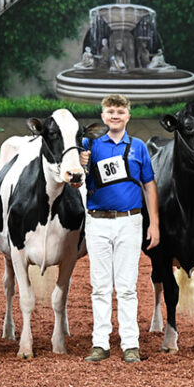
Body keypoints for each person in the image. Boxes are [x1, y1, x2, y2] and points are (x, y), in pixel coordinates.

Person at [79, 94, 160, 363]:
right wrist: (80, 165)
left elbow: (149, 185)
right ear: (102, 116)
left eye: (120, 111)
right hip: (98, 220)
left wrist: (154, 224)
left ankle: (130, 344)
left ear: (128, 116)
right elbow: (75, 181)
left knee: (126, 286)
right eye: (110, 111)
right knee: (100, 286)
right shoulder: (89, 146)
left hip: (130, 221)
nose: (115, 116)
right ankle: (100, 344)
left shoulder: (138, 147)